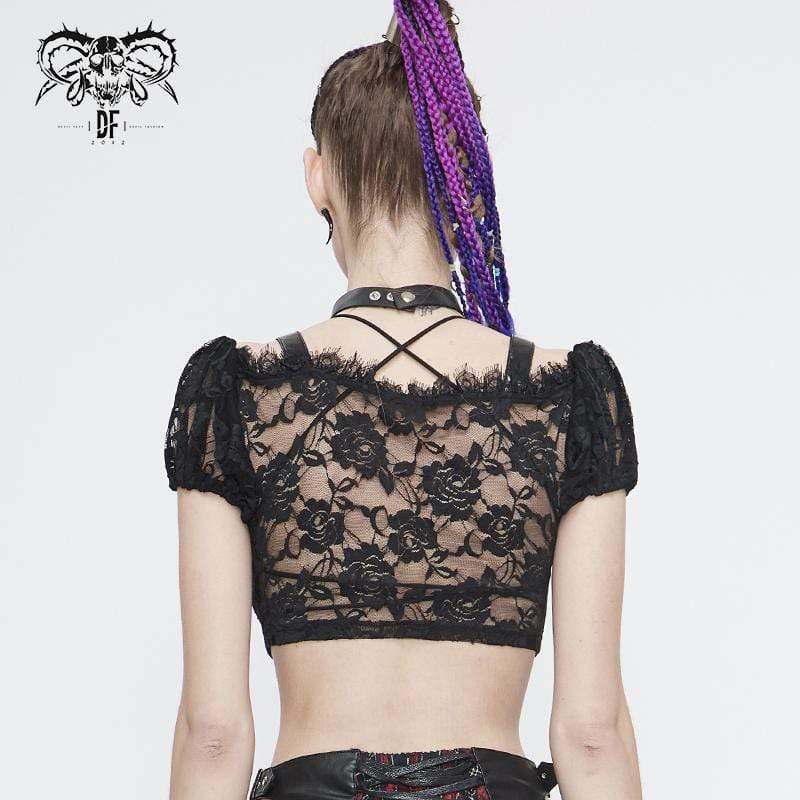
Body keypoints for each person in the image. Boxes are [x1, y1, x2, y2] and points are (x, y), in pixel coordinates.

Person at [164, 3, 641, 799]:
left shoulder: (236, 391)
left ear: (317, 175)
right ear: (464, 176)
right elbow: (592, 733)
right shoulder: (569, 395)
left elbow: (213, 732)